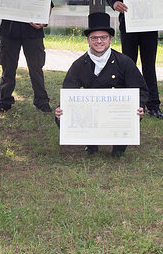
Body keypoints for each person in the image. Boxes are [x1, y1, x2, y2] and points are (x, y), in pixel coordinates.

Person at [54, 12, 146, 157]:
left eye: (103, 37)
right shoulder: (78, 65)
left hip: (117, 111)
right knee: (62, 116)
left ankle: (119, 148)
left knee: (133, 112)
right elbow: (69, 91)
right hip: (91, 111)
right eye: (94, 38)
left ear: (110, 39)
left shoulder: (124, 62)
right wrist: (60, 108)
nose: (99, 41)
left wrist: (140, 106)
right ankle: (91, 144)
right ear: (88, 40)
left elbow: (140, 89)